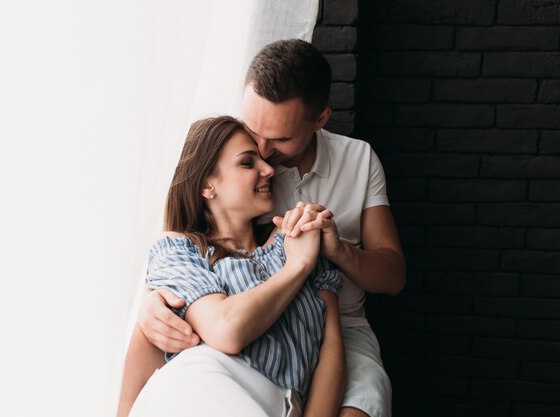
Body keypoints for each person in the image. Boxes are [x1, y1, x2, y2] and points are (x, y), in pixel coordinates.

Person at [138, 39, 406, 417]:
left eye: (279, 139)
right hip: (249, 317)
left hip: (340, 322)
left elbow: (393, 276)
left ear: (321, 119)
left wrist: (338, 252)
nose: (263, 151)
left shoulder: (358, 160)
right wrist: (151, 299)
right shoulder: (237, 159)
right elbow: (187, 241)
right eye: (253, 131)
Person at [117, 116, 345, 417]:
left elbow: (332, 349)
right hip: (190, 391)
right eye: (248, 163)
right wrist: (297, 267)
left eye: (262, 160)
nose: (268, 169)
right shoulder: (179, 249)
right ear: (207, 186)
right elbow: (227, 330)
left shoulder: (297, 235)